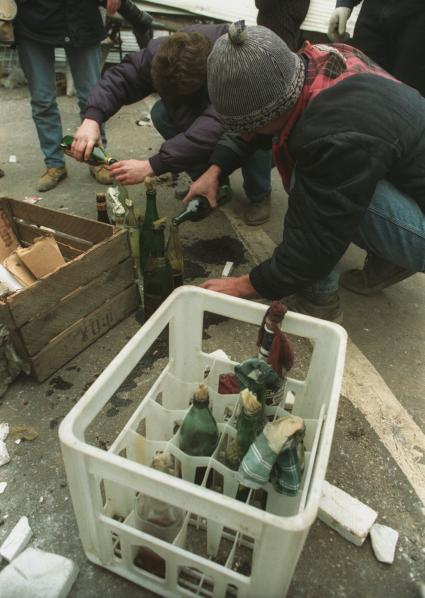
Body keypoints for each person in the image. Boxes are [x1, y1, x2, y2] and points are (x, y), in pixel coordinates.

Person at [183, 22, 425, 322]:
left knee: (310, 188)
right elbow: (257, 121)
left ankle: (318, 297)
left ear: (272, 110)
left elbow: (315, 239)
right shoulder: (317, 62)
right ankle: (391, 259)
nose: (245, 136)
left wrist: (247, 285)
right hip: (408, 175)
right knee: (330, 177)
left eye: (247, 126)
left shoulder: (332, 136)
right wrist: (216, 169)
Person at [70, 24, 273, 226]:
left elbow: (213, 125)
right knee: (161, 113)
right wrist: (92, 118)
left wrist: (152, 165)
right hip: (199, 94)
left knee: (251, 131)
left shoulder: (233, 66)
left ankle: (259, 194)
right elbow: (123, 77)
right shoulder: (163, 54)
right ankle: (211, 183)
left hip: (250, 110)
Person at [14, 0, 121, 192]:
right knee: (42, 100)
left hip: (80, 15)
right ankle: (55, 164)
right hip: (33, 18)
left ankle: (97, 159)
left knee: (92, 97)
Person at [327, 0, 425, 97]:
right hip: (373, 12)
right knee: (359, 89)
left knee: (408, 97)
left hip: (418, 19)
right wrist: (345, 4)